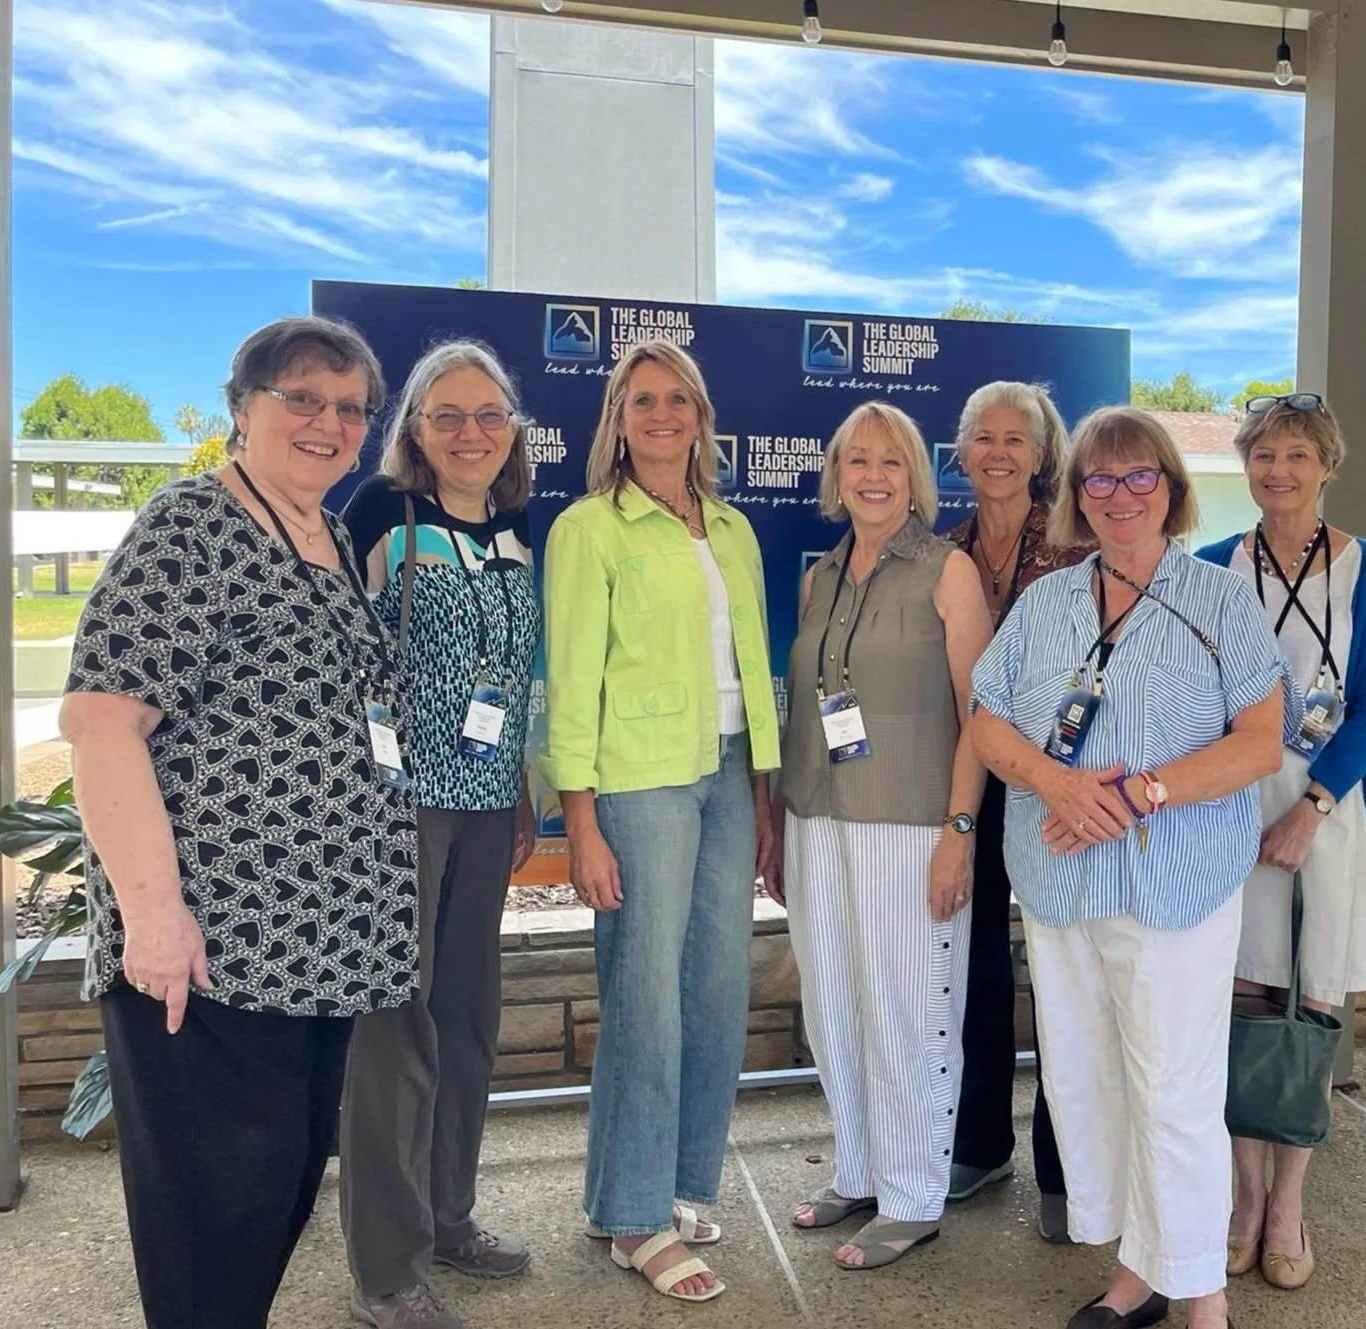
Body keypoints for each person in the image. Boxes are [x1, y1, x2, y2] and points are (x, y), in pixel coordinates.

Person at [59, 316, 418, 1329]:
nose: (329, 424)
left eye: (349, 407)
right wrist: (154, 914)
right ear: (242, 410)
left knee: (274, 1192)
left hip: (321, 948)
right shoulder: (191, 527)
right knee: (212, 1217)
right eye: (301, 398)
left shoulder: (329, 535)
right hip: (218, 951)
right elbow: (100, 723)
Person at [968, 406, 1291, 1329]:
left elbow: (1261, 744)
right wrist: (1058, 785)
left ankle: (1205, 1295)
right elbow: (989, 717)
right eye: (1098, 480)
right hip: (1063, 883)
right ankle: (1137, 1271)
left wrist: (1138, 792)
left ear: (1172, 489)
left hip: (1173, 884)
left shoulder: (1222, 599)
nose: (1119, 495)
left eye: (1139, 475)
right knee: (1091, 1077)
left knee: (1175, 1087)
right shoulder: (1046, 602)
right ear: (1076, 497)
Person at [541, 339, 780, 1305]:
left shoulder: (731, 528)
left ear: (701, 414)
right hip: (637, 782)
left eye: (677, 397)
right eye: (642, 400)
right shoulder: (590, 527)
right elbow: (570, 684)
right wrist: (581, 824)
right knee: (643, 988)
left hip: (727, 773)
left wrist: (762, 798)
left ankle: (677, 1182)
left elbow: (754, 674)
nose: (662, 414)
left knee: (718, 985)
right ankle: (632, 1214)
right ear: (617, 419)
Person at [338, 340, 543, 1329]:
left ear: (511, 431)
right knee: (394, 1030)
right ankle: (386, 1268)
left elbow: (513, 678)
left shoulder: (516, 529)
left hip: (488, 801)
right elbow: (332, 660)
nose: (469, 433)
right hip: (398, 806)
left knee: (466, 1017)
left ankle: (447, 1215)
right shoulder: (378, 518)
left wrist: (523, 788)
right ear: (414, 428)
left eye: (487, 415)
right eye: (446, 415)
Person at [773, 401, 992, 1270]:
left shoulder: (949, 572)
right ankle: (860, 1169)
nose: (872, 474)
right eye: (857, 460)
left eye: (891, 462)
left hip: (911, 823)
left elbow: (984, 714)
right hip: (817, 817)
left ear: (915, 476)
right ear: (836, 475)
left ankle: (912, 1195)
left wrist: (960, 831)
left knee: (911, 1008)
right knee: (835, 1005)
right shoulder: (819, 576)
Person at [1195, 392, 1366, 1293]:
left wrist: (1311, 805)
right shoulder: (1210, 569)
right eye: (1263, 455)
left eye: (1296, 455)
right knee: (1241, 1004)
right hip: (1231, 808)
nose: (1277, 471)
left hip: (1322, 805)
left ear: (1328, 466)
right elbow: (1193, 701)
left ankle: (1289, 1205)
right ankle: (1243, 1201)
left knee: (1310, 1005)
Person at [941, 381, 1089, 1238]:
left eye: (1016, 439)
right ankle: (979, 1139)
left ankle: (1065, 1166)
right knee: (978, 969)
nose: (999, 452)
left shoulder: (1076, 545)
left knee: (1061, 972)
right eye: (982, 436)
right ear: (961, 453)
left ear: (1041, 454)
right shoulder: (943, 552)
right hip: (971, 782)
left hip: (1056, 786)